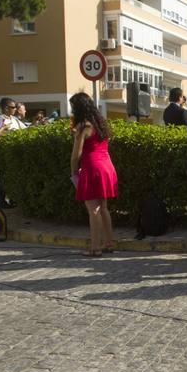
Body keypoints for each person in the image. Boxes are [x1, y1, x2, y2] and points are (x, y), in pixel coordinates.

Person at [69, 92, 119, 257]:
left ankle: (95, 247)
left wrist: (73, 171)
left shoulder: (84, 126)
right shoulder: (100, 123)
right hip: (107, 166)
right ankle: (109, 243)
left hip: (92, 167)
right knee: (103, 208)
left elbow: (76, 154)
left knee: (93, 210)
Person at [0, 97, 24, 209]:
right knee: (4, 177)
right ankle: (2, 201)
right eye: (13, 107)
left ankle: (13, 199)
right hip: (3, 152)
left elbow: (26, 130)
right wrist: (5, 132)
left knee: (14, 176)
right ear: (5, 108)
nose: (15, 109)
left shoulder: (15, 120)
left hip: (15, 152)